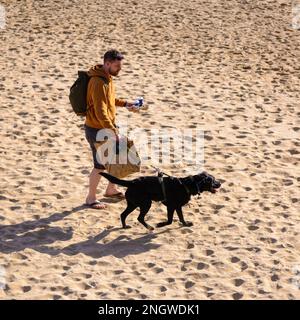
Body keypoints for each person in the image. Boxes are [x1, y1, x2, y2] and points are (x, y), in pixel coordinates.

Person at [84, 49, 138, 209]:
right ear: (107, 64)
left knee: (119, 157)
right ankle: (90, 198)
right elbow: (100, 110)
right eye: (116, 66)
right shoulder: (98, 82)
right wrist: (111, 130)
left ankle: (111, 189)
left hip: (107, 127)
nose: (119, 69)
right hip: (97, 129)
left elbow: (109, 100)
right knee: (100, 166)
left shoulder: (107, 77)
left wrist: (126, 103)